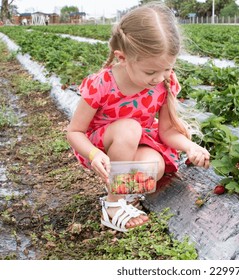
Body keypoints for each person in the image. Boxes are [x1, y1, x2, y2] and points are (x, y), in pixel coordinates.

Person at [66, 2, 210, 233]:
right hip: (100, 147)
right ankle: (113, 205)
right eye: (150, 72)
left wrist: (190, 147)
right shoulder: (101, 84)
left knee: (156, 167)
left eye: (167, 69)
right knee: (129, 128)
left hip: (136, 142)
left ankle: (122, 189)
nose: (159, 78)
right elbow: (74, 132)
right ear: (122, 58)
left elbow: (167, 131)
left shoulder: (164, 82)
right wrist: (94, 154)